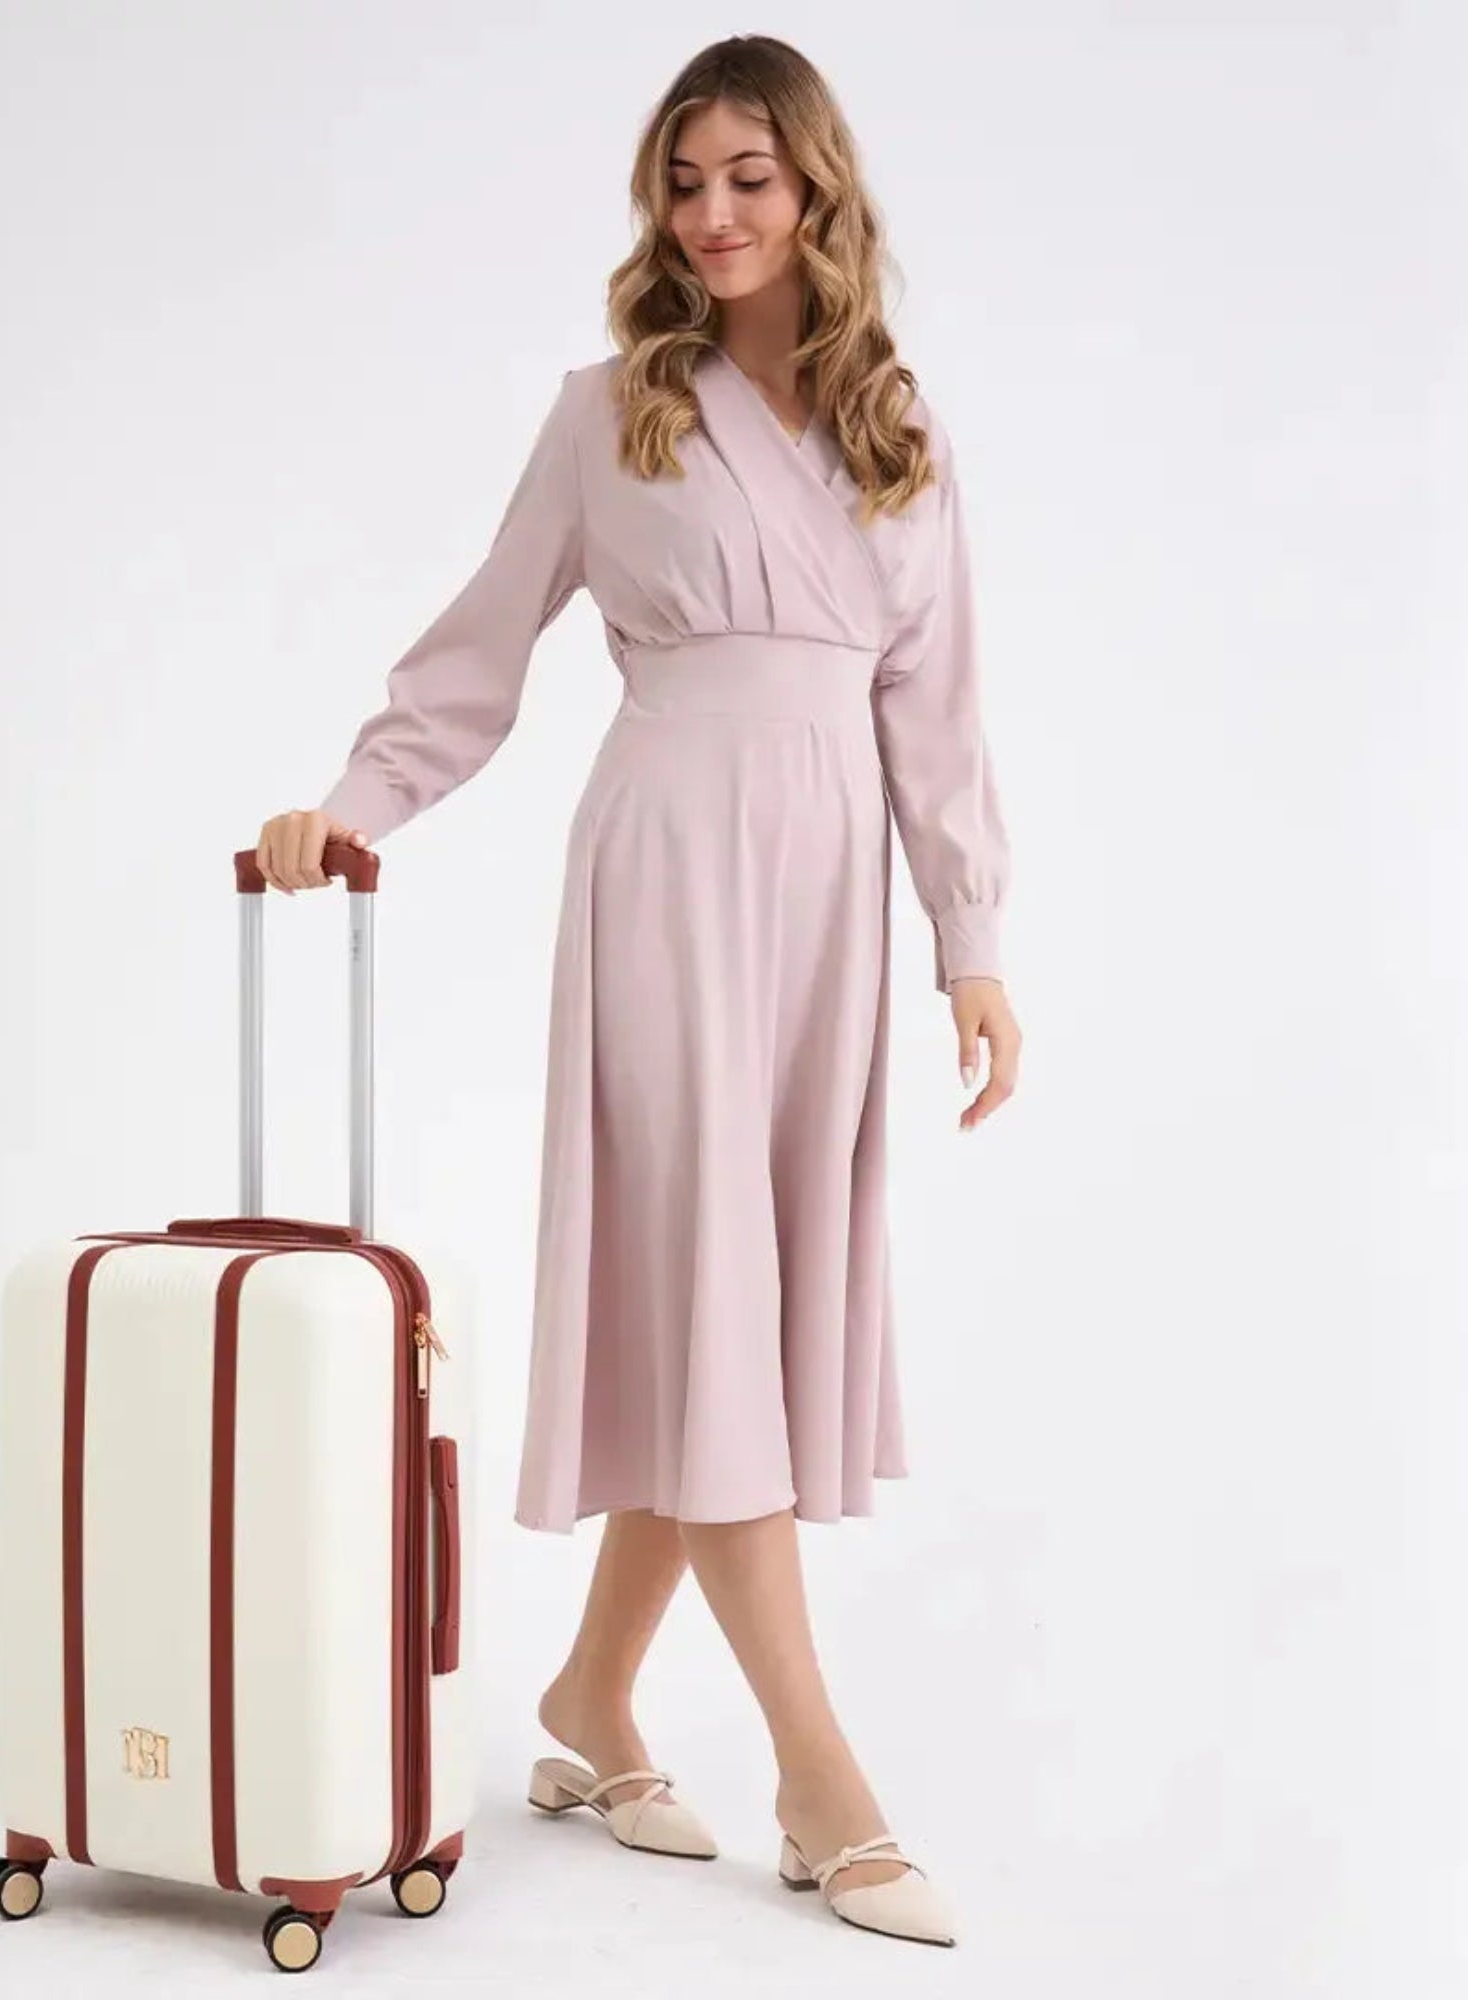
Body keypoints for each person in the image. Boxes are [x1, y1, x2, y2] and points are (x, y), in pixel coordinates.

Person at [252, 35, 1020, 1950]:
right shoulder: (612, 414)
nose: (712, 214)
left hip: (828, 899)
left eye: (748, 177)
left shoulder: (900, 428)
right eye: (684, 183)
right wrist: (355, 805)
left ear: (817, 187)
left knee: (724, 1309)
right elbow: (479, 651)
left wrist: (973, 944)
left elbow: (936, 717)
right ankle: (824, 1784)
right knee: (716, 1303)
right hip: (668, 876)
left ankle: (593, 1703)